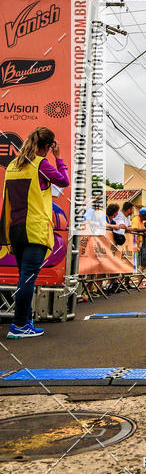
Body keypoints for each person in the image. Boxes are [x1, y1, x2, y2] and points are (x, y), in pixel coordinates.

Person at [1, 127, 69, 338]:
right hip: (35, 228)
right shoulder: (40, 164)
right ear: (48, 147)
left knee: (24, 276)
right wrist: (59, 159)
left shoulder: (13, 165)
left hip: (15, 228)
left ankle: (25, 321)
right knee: (28, 279)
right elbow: (64, 181)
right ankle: (19, 325)